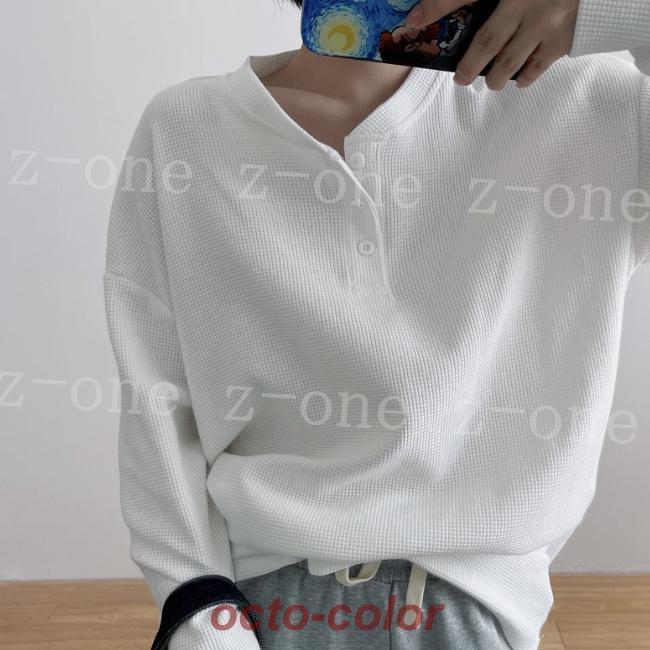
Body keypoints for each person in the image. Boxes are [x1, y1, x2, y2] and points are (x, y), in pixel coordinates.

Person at [102, 0, 650, 648]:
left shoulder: (597, 106)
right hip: (259, 607)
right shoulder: (187, 128)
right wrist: (200, 613)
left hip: (474, 608)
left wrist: (600, 12)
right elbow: (157, 397)